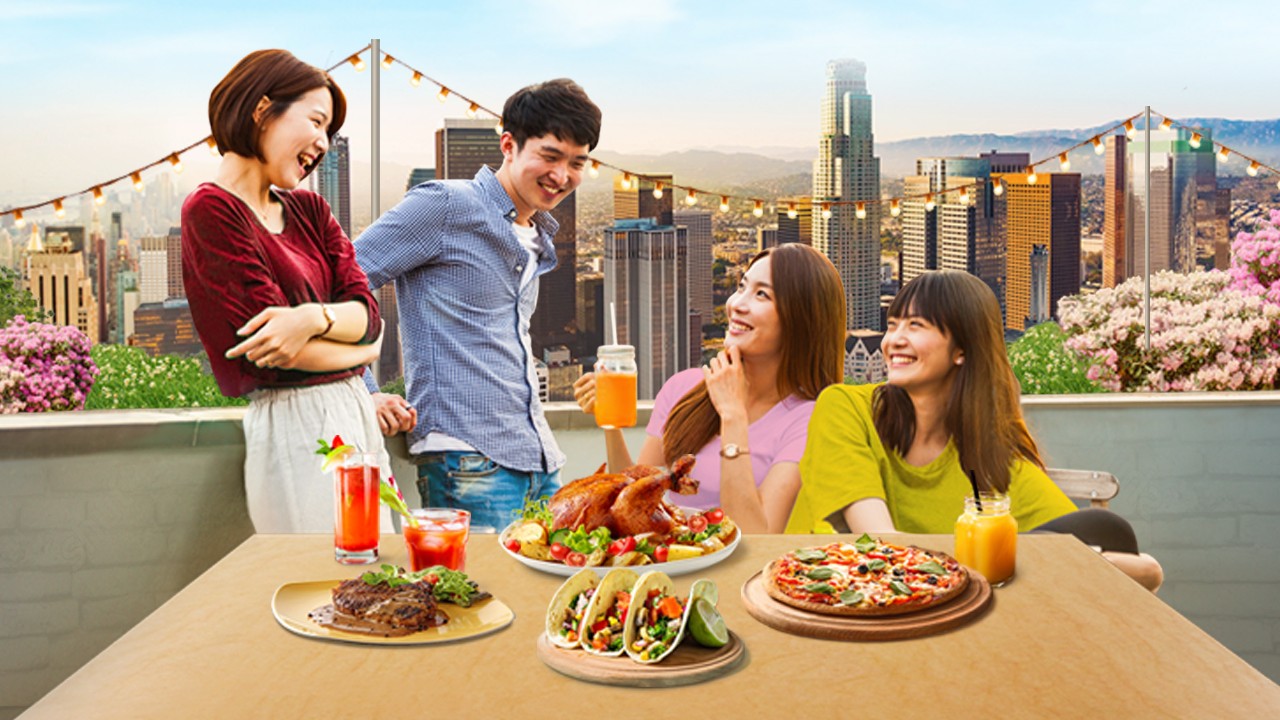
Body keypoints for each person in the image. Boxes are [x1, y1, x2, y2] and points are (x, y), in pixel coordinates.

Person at [786, 270, 1163, 590]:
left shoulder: (991, 465)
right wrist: (993, 557)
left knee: (1106, 527)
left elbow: (1145, 571)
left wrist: (1016, 556)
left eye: (915, 326)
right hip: (827, 604)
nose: (893, 340)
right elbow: (884, 548)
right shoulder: (845, 408)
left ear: (961, 350)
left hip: (935, 623)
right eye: (893, 324)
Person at [354, 79, 602, 531]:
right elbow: (340, 278)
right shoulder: (446, 206)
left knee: (543, 599)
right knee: (475, 599)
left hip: (540, 462)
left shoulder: (537, 234)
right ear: (509, 145)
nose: (562, 175)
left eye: (577, 163)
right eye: (549, 156)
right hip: (466, 461)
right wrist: (365, 391)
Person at [182, 49, 387, 533]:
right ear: (261, 109)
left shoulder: (310, 210)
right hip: (294, 428)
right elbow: (269, 352)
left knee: (377, 583)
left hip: (356, 413)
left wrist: (312, 320)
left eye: (329, 132)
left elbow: (371, 317)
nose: (323, 142)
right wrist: (360, 348)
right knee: (321, 583)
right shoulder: (212, 211)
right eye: (316, 121)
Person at [573, 244, 846, 533]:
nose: (737, 304)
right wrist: (610, 423)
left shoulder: (809, 419)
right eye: (741, 287)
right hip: (672, 569)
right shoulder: (683, 387)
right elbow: (631, 500)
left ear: (801, 320)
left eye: (761, 294)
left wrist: (733, 417)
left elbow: (756, 536)